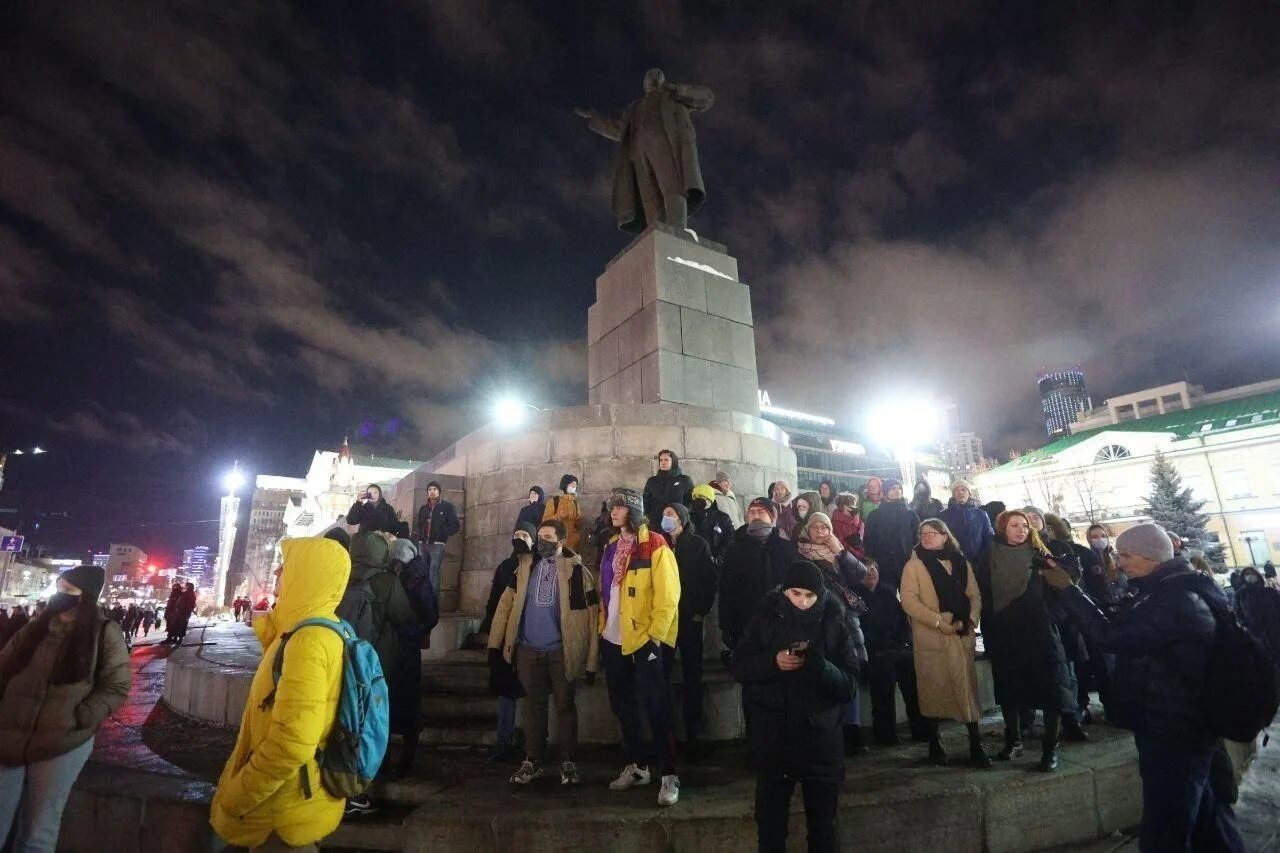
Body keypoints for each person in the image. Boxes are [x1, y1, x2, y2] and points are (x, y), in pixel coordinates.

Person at [1042, 522, 1246, 852]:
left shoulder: (1175, 600)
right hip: (1181, 722)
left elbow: (1111, 637)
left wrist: (1068, 591)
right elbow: (1122, 620)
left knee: (1165, 827)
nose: (1118, 562)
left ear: (1151, 557)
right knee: (1209, 816)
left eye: (1125, 555)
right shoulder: (1165, 588)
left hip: (1173, 727)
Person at [210, 537, 354, 851]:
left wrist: (238, 796)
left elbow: (292, 743)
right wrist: (270, 630)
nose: (277, 571)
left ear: (307, 575)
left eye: (286, 565)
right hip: (293, 801)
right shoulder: (312, 631)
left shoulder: (308, 641)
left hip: (282, 812)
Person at [731, 561, 862, 853]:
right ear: (784, 592)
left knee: (823, 827)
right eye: (795, 594)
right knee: (770, 826)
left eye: (809, 596)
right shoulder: (764, 618)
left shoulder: (833, 623)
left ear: (820, 595)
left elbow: (849, 685)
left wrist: (820, 667)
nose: (802, 602)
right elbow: (739, 666)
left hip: (821, 740)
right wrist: (773, 663)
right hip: (774, 738)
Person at [0, 565, 129, 851]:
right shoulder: (36, 627)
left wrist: (79, 717)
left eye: (68, 591)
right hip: (7, 737)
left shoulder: (104, 632)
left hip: (61, 743)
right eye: (58, 588)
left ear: (87, 596)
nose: (60, 595)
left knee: (37, 832)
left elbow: (116, 686)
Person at [489, 520, 599, 786]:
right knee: (532, 708)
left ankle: (568, 760)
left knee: (565, 706)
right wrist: (495, 644)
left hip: (561, 650)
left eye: (548, 537)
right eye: (540, 537)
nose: (541, 542)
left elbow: (592, 616)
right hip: (528, 649)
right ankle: (532, 759)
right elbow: (505, 604)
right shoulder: (525, 567)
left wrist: (592, 661)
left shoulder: (577, 572)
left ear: (561, 541)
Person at [975, 510, 1078, 771]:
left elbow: (1066, 587)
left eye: (1024, 525)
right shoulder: (988, 555)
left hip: (1039, 630)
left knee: (1051, 687)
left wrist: (1050, 614)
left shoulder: (1039, 553)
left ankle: (1049, 749)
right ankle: (1014, 741)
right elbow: (980, 589)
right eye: (1014, 525)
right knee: (1010, 687)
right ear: (1002, 528)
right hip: (1005, 629)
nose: (1021, 529)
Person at [598, 488, 682, 806]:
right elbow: (607, 589)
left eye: (619, 507)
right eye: (611, 507)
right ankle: (637, 766)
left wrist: (655, 636)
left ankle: (669, 773)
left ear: (633, 510)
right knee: (623, 705)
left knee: (656, 706)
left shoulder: (655, 544)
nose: (613, 512)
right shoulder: (610, 546)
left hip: (644, 638)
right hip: (613, 637)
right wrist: (601, 628)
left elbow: (668, 595)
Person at [576, 68, 713, 234]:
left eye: (657, 73)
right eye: (649, 75)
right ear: (644, 85)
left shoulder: (673, 96)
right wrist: (594, 118)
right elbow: (619, 130)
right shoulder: (635, 108)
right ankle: (656, 234)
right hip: (639, 154)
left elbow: (706, 98)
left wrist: (679, 89)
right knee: (649, 198)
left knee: (673, 187)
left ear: (663, 79)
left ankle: (677, 231)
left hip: (666, 146)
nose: (652, 76)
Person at [900, 519, 990, 769]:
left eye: (933, 533)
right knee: (933, 689)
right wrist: (939, 622)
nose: (927, 537)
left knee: (967, 691)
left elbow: (974, 595)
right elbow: (909, 601)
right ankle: (934, 744)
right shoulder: (914, 565)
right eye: (923, 533)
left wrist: (970, 620)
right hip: (933, 635)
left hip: (961, 635)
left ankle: (975, 743)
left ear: (945, 536)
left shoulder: (962, 563)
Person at [339, 532, 414, 814]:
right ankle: (369, 780)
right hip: (377, 662)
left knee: (346, 720)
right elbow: (405, 617)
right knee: (374, 721)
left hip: (341, 657)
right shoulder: (387, 581)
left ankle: (342, 782)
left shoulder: (343, 576)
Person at [794, 512, 869, 755]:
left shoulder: (839, 553)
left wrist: (841, 552)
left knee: (849, 671)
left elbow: (860, 575)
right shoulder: (799, 553)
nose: (820, 531)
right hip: (817, 620)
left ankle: (852, 730)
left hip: (846, 620)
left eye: (824, 527)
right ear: (807, 530)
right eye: (815, 527)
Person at [660, 503, 718, 757]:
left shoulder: (697, 544)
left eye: (670, 515)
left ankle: (694, 733)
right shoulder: (659, 544)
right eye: (664, 515)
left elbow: (709, 579)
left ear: (682, 519)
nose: (666, 518)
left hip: (689, 617)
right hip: (664, 619)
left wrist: (699, 611)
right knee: (662, 674)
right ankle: (665, 734)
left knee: (692, 674)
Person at [854, 559, 927, 745]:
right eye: (866, 569)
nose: (871, 572)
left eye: (874, 568)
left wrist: (903, 642)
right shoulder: (854, 596)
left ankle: (921, 729)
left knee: (911, 673)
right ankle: (885, 735)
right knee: (883, 677)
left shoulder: (887, 592)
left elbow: (903, 622)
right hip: (873, 651)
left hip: (896, 647)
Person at [480, 524, 535, 762]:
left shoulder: (537, 565)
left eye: (525, 536)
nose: (520, 539)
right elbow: (496, 602)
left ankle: (532, 744)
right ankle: (504, 740)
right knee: (505, 692)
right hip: (505, 637)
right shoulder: (505, 566)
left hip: (530, 637)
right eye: (516, 535)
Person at [718, 498, 799, 654]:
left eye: (761, 512)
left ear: (772, 517)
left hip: (779, 621)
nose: (756, 516)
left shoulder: (785, 548)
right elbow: (726, 588)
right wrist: (726, 624)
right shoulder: (735, 548)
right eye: (752, 512)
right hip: (744, 621)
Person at [388, 536, 436, 776]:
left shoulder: (418, 580)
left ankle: (407, 757)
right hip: (396, 647)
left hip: (407, 647)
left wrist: (408, 632)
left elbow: (430, 616)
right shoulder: (400, 577)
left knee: (407, 700)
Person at [862, 479, 920, 588]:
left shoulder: (910, 514)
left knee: (910, 597)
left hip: (907, 563)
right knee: (888, 598)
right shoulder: (875, 515)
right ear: (885, 491)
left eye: (899, 488)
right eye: (893, 488)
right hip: (883, 565)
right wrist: (870, 561)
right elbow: (869, 540)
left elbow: (917, 539)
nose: (897, 491)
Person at [416, 481, 461, 602]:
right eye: (429, 489)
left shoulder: (447, 507)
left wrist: (442, 533)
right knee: (422, 573)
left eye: (434, 489)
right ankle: (423, 603)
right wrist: (419, 537)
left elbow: (455, 525)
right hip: (422, 544)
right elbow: (419, 525)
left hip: (437, 544)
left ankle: (433, 604)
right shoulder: (423, 508)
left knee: (433, 573)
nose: (432, 491)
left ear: (439, 491)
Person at [1236, 565, 1280, 679]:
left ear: (1258, 576)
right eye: (1247, 574)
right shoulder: (1240, 595)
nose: (1250, 576)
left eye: (1252, 574)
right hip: (1255, 633)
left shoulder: (1270, 591)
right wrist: (1245, 625)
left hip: (1274, 631)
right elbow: (1238, 613)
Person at [938, 481, 993, 564]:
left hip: (978, 561)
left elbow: (988, 536)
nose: (960, 492)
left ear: (969, 493)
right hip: (952, 560)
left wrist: (984, 557)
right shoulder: (943, 515)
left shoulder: (981, 514)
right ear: (953, 494)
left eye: (963, 489)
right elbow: (940, 537)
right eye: (956, 490)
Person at [642, 450, 693, 530]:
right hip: (656, 524)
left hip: (677, 524)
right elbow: (646, 501)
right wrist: (648, 518)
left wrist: (681, 515)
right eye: (661, 460)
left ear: (673, 461)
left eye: (666, 460)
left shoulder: (685, 480)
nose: (663, 462)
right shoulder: (652, 481)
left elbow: (690, 502)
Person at [689, 484, 733, 563]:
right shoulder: (689, 517)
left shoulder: (723, 518)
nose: (697, 499)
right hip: (694, 562)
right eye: (695, 497)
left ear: (709, 500)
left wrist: (718, 558)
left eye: (700, 496)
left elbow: (730, 539)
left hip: (716, 564)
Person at [542, 475, 583, 552]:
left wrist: (578, 521)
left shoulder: (575, 503)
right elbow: (544, 521)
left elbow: (578, 525)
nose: (574, 487)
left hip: (572, 544)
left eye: (575, 485)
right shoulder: (554, 501)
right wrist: (558, 516)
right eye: (572, 484)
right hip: (556, 542)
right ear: (565, 485)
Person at [830, 493, 864, 558]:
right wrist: (859, 556)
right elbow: (842, 545)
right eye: (849, 504)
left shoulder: (858, 521)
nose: (852, 507)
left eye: (853, 504)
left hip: (861, 556)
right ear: (841, 506)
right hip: (849, 559)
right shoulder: (835, 524)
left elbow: (863, 538)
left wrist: (857, 522)